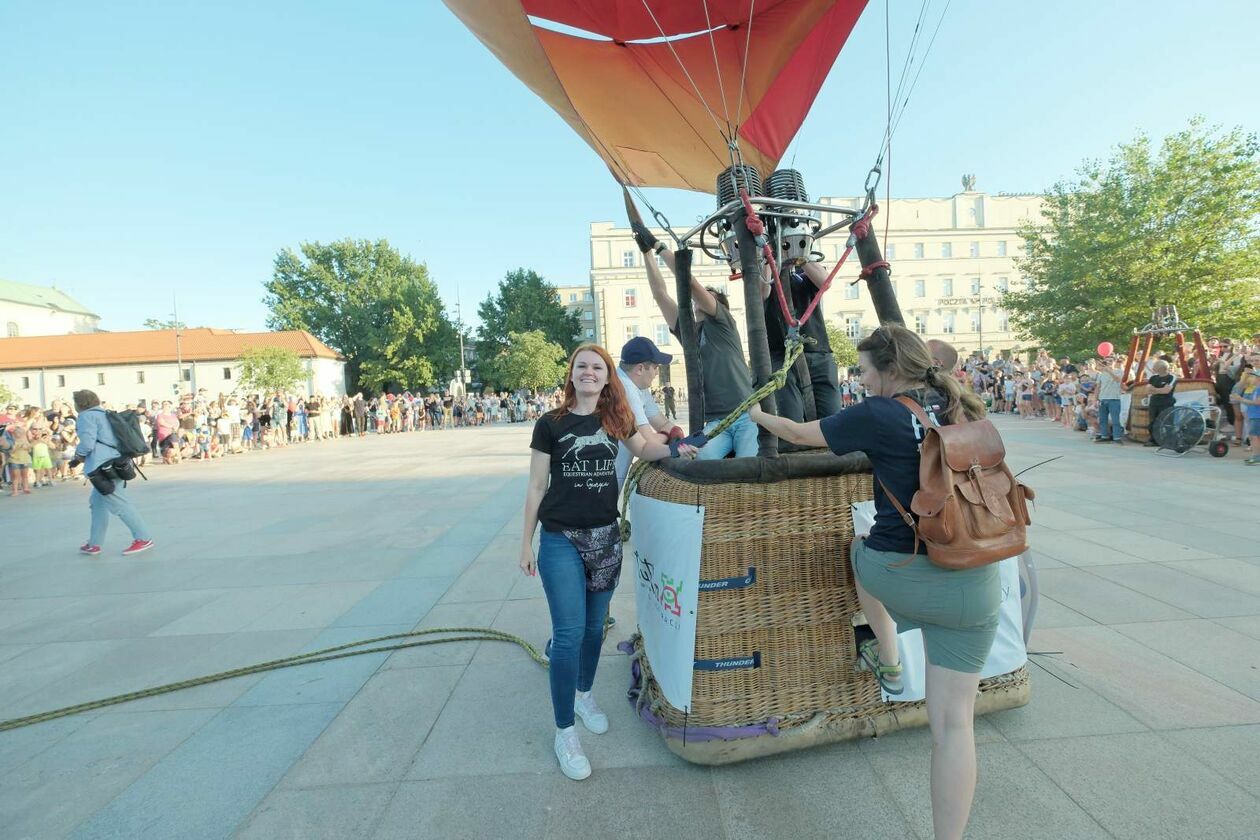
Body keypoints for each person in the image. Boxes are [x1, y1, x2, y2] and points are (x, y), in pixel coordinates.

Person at [747, 325, 992, 840]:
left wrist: (757, 413)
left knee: (860, 547)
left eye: (862, 370)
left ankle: (889, 658)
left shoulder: (880, 412)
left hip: (910, 574)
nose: (860, 380)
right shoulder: (960, 405)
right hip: (980, 575)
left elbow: (796, 434)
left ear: (888, 371)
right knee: (954, 728)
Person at [519, 343, 696, 781]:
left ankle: (583, 695)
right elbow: (536, 487)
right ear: (572, 373)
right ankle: (565, 732)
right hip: (560, 538)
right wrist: (525, 542)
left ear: (607, 375)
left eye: (597, 367)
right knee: (568, 635)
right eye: (582, 365)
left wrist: (678, 447)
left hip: (606, 538)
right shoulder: (550, 424)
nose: (589, 372)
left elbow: (646, 448)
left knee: (596, 629)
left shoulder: (616, 420)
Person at [634, 223, 757, 458]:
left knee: (750, 465)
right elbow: (660, 295)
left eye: (709, 295)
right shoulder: (689, 332)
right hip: (714, 421)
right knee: (702, 460)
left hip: (745, 415)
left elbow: (689, 284)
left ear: (719, 304)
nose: (701, 296)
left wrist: (658, 246)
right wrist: (646, 253)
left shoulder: (723, 323)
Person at [70, 390, 154, 556]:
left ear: (80, 403)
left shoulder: (86, 416)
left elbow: (87, 443)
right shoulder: (105, 413)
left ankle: (143, 538)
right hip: (116, 461)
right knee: (97, 503)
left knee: (119, 503)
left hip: (102, 465)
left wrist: (78, 457)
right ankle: (94, 543)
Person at [761, 261, 842, 421]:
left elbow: (826, 282)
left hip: (818, 351)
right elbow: (761, 292)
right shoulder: (763, 272)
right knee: (792, 417)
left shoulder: (803, 271)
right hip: (781, 355)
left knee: (831, 418)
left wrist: (800, 256)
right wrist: (768, 259)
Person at [614, 336, 683, 484]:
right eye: (655, 367)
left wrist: (677, 434)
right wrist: (669, 435)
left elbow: (661, 422)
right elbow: (647, 442)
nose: (657, 372)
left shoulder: (636, 383)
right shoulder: (625, 389)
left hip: (610, 477)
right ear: (640, 369)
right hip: (601, 481)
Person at [1142, 359, 1177, 447]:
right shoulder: (1153, 377)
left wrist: (1154, 389)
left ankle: (1169, 440)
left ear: (1161, 368)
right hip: (1154, 403)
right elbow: (1147, 390)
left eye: (1155, 366)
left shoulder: (1171, 377)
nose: (1153, 367)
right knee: (1153, 421)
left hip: (1166, 403)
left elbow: (1166, 391)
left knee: (1167, 421)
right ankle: (1153, 440)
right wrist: (1159, 390)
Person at [1094, 355, 1125, 443]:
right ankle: (1104, 435)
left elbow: (1118, 380)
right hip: (1103, 399)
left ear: (1115, 362)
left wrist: (1109, 371)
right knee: (1102, 419)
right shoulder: (1101, 374)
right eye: (1107, 361)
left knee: (1115, 419)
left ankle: (1117, 437)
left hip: (1114, 399)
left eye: (1111, 361)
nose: (1108, 362)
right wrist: (1095, 399)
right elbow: (1098, 387)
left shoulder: (1119, 371)